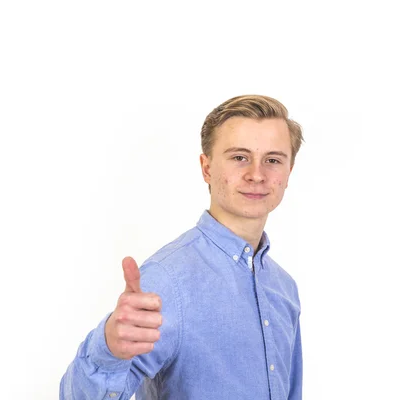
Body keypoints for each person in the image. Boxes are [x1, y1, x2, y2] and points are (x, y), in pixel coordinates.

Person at [60, 95, 304, 399]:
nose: (257, 174)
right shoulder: (167, 280)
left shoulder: (284, 288)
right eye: (239, 157)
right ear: (206, 168)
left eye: (273, 160)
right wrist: (108, 350)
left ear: (288, 172)